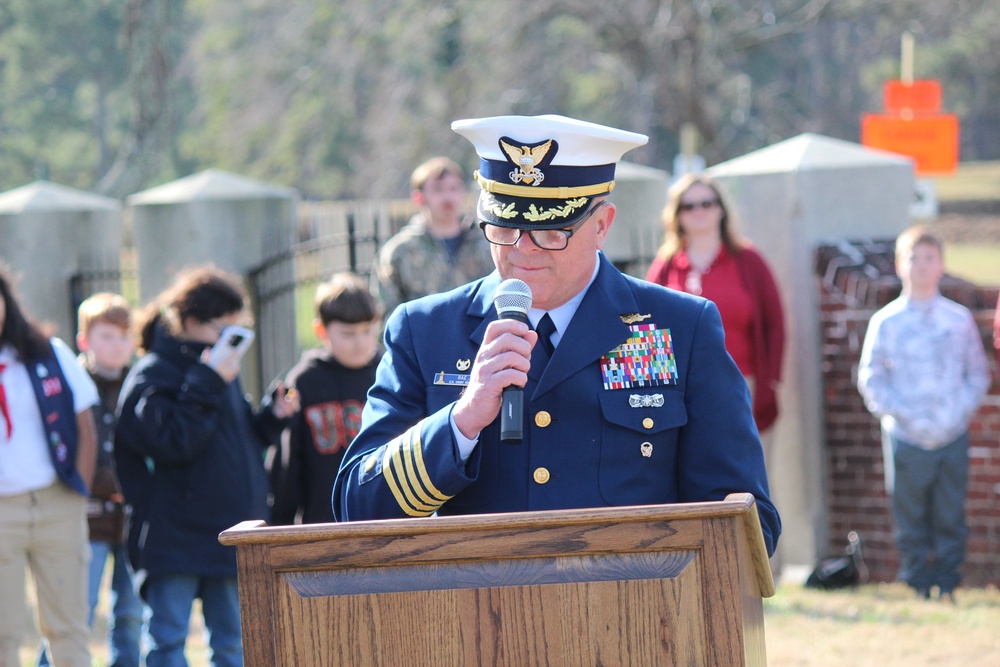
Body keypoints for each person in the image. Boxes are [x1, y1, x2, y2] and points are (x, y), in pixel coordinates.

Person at [334, 114, 780, 557]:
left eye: (550, 231)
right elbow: (357, 507)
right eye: (505, 226)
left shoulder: (680, 328)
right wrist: (461, 421)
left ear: (602, 224)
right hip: (474, 617)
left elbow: (746, 521)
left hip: (633, 616)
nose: (523, 249)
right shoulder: (423, 330)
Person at [114, 266, 300, 667]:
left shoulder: (218, 371)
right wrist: (208, 379)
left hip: (226, 532)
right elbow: (172, 442)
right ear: (192, 322)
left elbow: (236, 443)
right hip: (173, 535)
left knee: (233, 643)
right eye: (224, 329)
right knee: (167, 641)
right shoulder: (154, 374)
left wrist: (271, 417)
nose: (230, 341)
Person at [857, 225, 990, 602]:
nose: (922, 265)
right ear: (900, 265)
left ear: (942, 265)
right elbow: (871, 377)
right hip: (906, 435)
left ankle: (948, 583)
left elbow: (977, 373)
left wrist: (959, 412)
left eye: (929, 258)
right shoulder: (886, 321)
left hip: (952, 432)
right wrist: (899, 414)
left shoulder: (958, 319)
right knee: (910, 514)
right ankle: (918, 585)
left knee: (950, 513)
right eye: (914, 257)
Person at [0, 265, 99, 667]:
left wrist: (78, 492)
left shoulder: (48, 352)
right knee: (3, 632)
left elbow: (85, 425)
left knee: (68, 629)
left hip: (56, 503)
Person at [645, 173, 785, 449]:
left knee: (750, 477)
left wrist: (772, 380)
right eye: (688, 206)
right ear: (677, 215)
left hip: (744, 384)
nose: (698, 211)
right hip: (683, 390)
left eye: (706, 203)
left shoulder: (747, 260)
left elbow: (775, 323)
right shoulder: (666, 265)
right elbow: (648, 327)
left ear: (720, 209)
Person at [268, 272, 382, 525]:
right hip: (324, 521)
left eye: (367, 330)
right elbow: (288, 461)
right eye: (348, 333)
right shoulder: (304, 380)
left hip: (388, 517)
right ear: (321, 330)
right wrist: (281, 523)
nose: (360, 341)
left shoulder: (390, 372)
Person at [76, 292, 144, 667]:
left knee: (131, 616)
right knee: (77, 611)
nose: (117, 345)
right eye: (107, 336)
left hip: (131, 519)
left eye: (123, 336)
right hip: (85, 518)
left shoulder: (140, 384)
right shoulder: (73, 386)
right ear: (84, 340)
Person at [371, 155, 495, 317]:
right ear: (419, 197)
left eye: (454, 188)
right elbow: (387, 313)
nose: (448, 197)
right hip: (422, 339)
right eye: (438, 189)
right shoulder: (399, 252)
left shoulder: (488, 244)